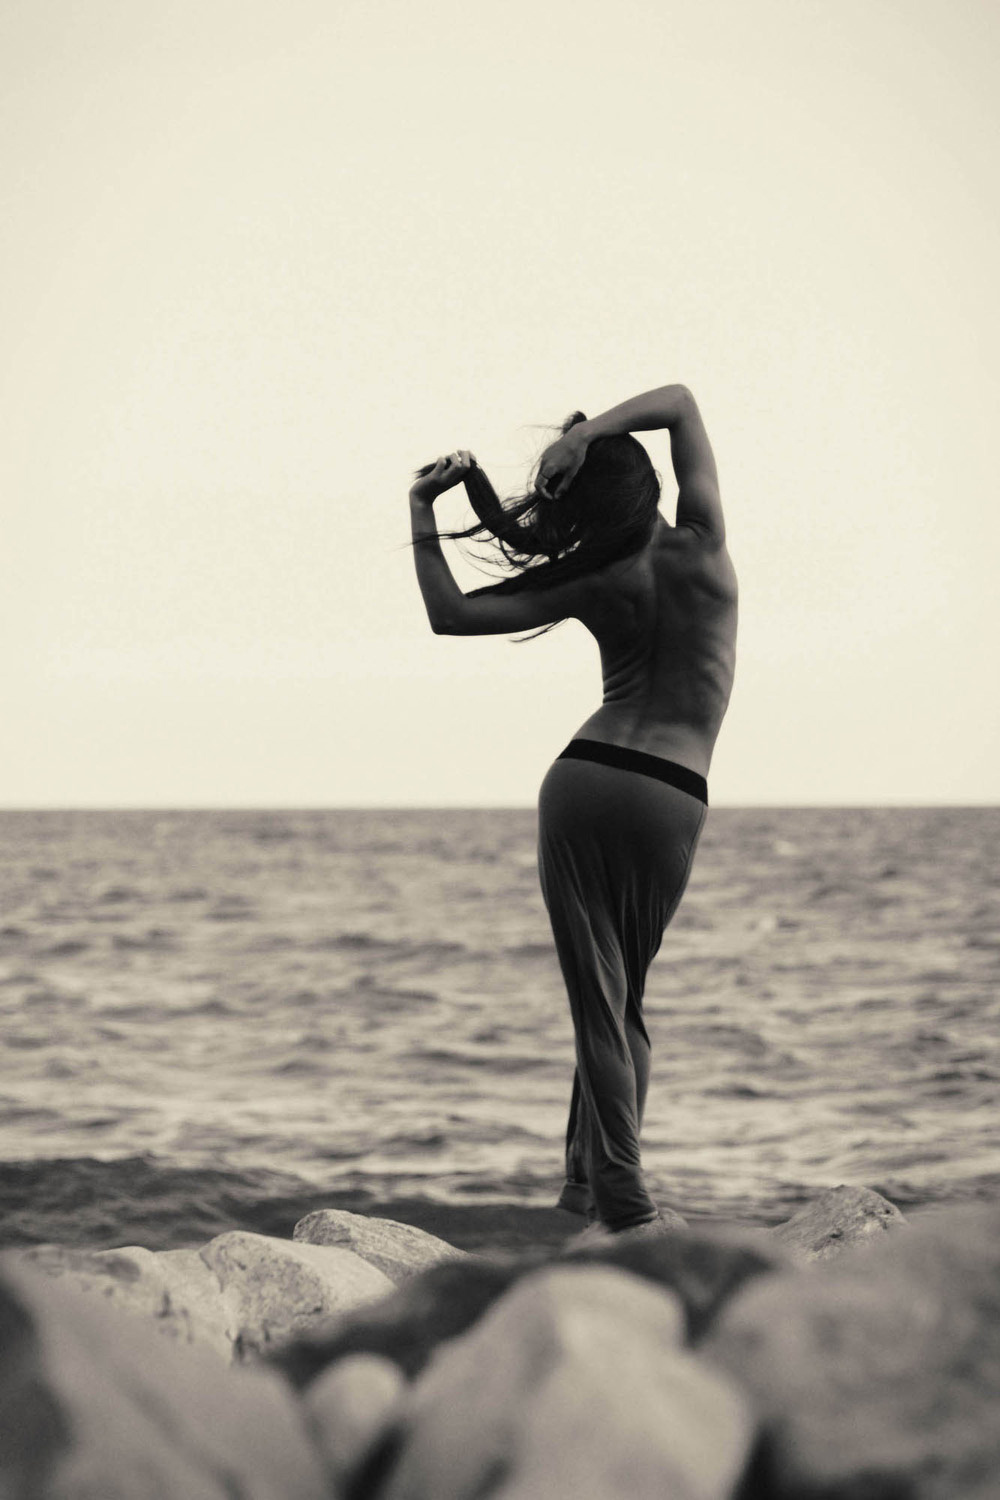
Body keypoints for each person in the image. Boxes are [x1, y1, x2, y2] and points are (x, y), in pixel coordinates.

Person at [409, 383, 738, 1238]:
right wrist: (589, 434)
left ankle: (598, 1193)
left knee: (603, 1005)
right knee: (623, 1007)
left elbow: (450, 615)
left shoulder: (595, 577)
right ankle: (616, 1200)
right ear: (647, 486)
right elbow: (681, 403)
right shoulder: (703, 544)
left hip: (586, 779)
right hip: (672, 793)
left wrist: (424, 510)